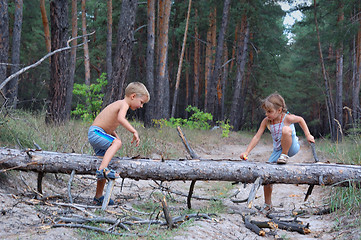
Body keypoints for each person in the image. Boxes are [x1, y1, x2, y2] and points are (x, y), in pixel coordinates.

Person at [240, 92, 314, 212]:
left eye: (269, 111)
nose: (266, 114)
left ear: (279, 110)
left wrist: (308, 135)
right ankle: (268, 205)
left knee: (286, 129)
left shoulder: (287, 118)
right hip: (278, 150)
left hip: (292, 147)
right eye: (266, 111)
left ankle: (284, 156)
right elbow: (257, 137)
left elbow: (300, 119)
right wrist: (246, 152)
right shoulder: (266, 121)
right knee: (266, 174)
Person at [88, 82, 150, 206]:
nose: (141, 106)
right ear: (133, 96)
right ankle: (102, 170)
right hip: (95, 132)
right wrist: (134, 131)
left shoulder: (120, 104)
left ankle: (98, 197)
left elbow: (109, 125)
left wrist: (115, 137)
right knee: (116, 145)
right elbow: (121, 119)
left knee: (106, 159)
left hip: (99, 132)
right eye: (141, 102)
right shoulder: (123, 104)